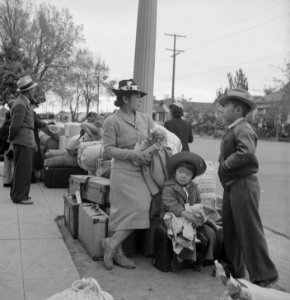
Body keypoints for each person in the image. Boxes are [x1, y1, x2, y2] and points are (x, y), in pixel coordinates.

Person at [218, 88, 278, 286]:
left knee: (249, 230)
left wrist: (226, 164)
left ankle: (264, 275)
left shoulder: (242, 128)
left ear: (237, 110)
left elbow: (246, 152)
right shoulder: (234, 128)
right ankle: (235, 269)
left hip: (243, 185)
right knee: (231, 229)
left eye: (225, 107)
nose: (222, 111)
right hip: (232, 186)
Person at [102, 79, 154, 270]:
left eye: (140, 96)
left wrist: (155, 143)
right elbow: (107, 150)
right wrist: (133, 153)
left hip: (141, 172)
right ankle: (118, 253)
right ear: (125, 98)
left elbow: (152, 138)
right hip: (122, 171)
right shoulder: (112, 121)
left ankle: (111, 243)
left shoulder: (146, 119)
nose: (139, 99)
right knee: (120, 212)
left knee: (141, 206)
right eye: (136, 96)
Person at [162, 151, 218, 272]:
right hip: (175, 217)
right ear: (175, 173)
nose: (183, 176)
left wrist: (199, 217)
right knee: (185, 233)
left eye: (188, 174)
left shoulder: (194, 188)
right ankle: (179, 258)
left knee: (209, 235)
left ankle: (199, 259)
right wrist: (187, 215)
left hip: (192, 218)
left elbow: (198, 203)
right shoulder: (168, 187)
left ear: (192, 177)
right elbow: (171, 206)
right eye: (181, 172)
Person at [8, 75, 38, 204]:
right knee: (23, 171)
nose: (33, 92)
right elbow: (15, 126)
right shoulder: (21, 104)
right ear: (28, 91)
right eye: (32, 90)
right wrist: (10, 140)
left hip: (25, 140)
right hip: (22, 141)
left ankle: (17, 195)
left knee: (21, 169)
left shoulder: (23, 102)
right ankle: (20, 197)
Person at [0, 100, 14, 187]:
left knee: (7, 165)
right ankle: (13, 181)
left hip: (5, 147)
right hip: (12, 146)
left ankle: (6, 181)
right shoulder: (13, 124)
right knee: (14, 165)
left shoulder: (3, 126)